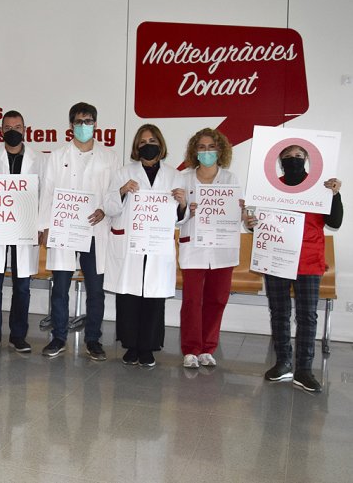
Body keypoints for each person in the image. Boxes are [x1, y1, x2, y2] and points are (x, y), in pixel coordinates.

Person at [247, 145, 343, 393]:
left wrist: (335, 195)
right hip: (276, 258)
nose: (293, 160)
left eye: (299, 156)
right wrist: (252, 223)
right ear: (279, 161)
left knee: (307, 316)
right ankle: (283, 363)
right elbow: (260, 226)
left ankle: (304, 370)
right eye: (288, 156)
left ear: (307, 159)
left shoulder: (320, 188)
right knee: (279, 312)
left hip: (309, 260)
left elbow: (335, 222)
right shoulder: (270, 188)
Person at [38, 102, 119, 359]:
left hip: (95, 229)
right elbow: (47, 193)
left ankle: (93, 339)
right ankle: (58, 337)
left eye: (89, 121)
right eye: (79, 122)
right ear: (70, 126)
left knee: (96, 289)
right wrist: (44, 227)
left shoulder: (110, 157)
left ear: (96, 124)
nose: (84, 126)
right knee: (61, 287)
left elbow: (114, 193)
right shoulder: (57, 156)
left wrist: (105, 209)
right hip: (64, 229)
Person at [103, 124, 185, 367]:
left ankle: (148, 348)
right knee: (129, 297)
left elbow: (181, 217)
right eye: (142, 142)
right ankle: (130, 346)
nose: (147, 145)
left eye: (152, 141)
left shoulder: (174, 175)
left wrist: (182, 203)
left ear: (160, 144)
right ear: (136, 148)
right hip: (131, 245)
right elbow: (109, 207)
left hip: (157, 247)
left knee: (153, 297)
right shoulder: (123, 173)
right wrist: (122, 191)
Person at [0, 110, 44, 353]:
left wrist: (40, 227)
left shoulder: (39, 160)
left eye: (17, 126)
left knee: (22, 286)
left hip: (25, 228)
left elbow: (43, 196)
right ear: (1, 130)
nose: (13, 131)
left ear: (25, 130)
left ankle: (18, 336)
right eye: (8, 127)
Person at [177, 128, 241, 369]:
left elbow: (238, 215)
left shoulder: (231, 179)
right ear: (195, 151)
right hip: (193, 247)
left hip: (223, 250)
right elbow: (175, 218)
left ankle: (207, 348)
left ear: (220, 150)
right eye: (201, 147)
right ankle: (191, 349)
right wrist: (185, 210)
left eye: (211, 147)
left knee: (217, 299)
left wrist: (242, 211)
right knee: (192, 300)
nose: (206, 152)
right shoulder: (183, 177)